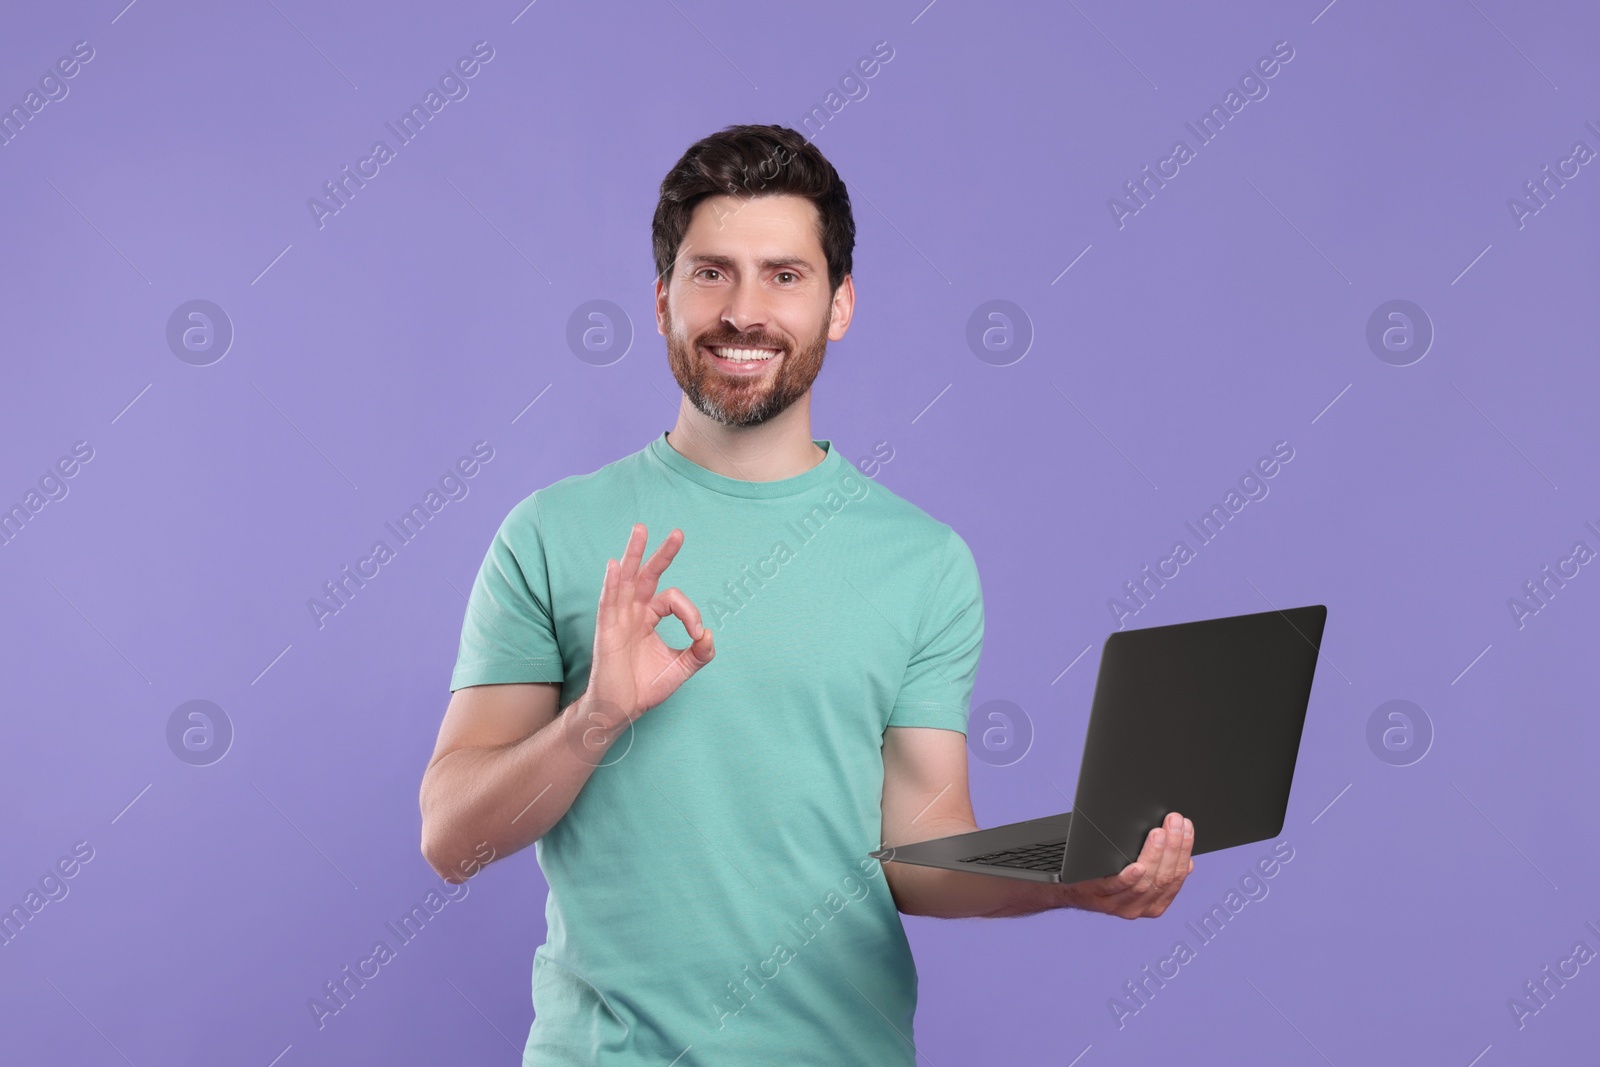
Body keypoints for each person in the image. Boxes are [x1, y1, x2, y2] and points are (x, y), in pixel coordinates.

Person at [418, 123, 1195, 1065]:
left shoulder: (924, 562)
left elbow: (921, 854)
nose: (745, 312)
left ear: (840, 305)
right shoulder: (549, 533)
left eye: (785, 275)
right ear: (662, 298)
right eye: (713, 273)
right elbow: (450, 841)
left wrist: (1070, 881)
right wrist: (595, 719)